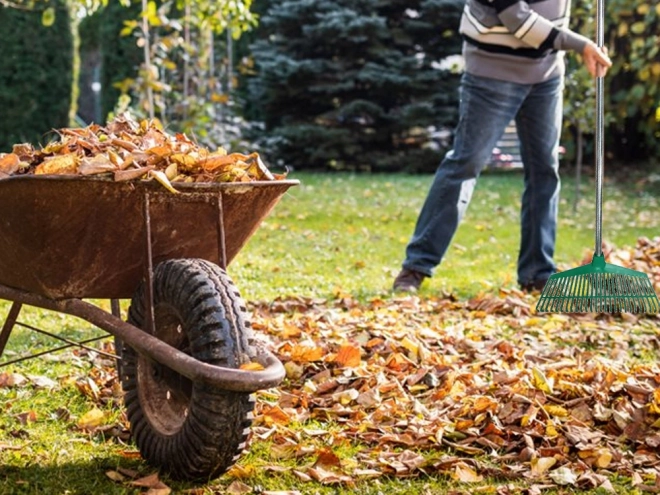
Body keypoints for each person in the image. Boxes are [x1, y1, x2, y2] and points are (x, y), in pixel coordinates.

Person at [393, 0, 612, 293]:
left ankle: (538, 273)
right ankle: (416, 267)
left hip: (546, 73)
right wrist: (581, 44)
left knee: (544, 170)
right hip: (492, 72)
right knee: (466, 163)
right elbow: (515, 17)